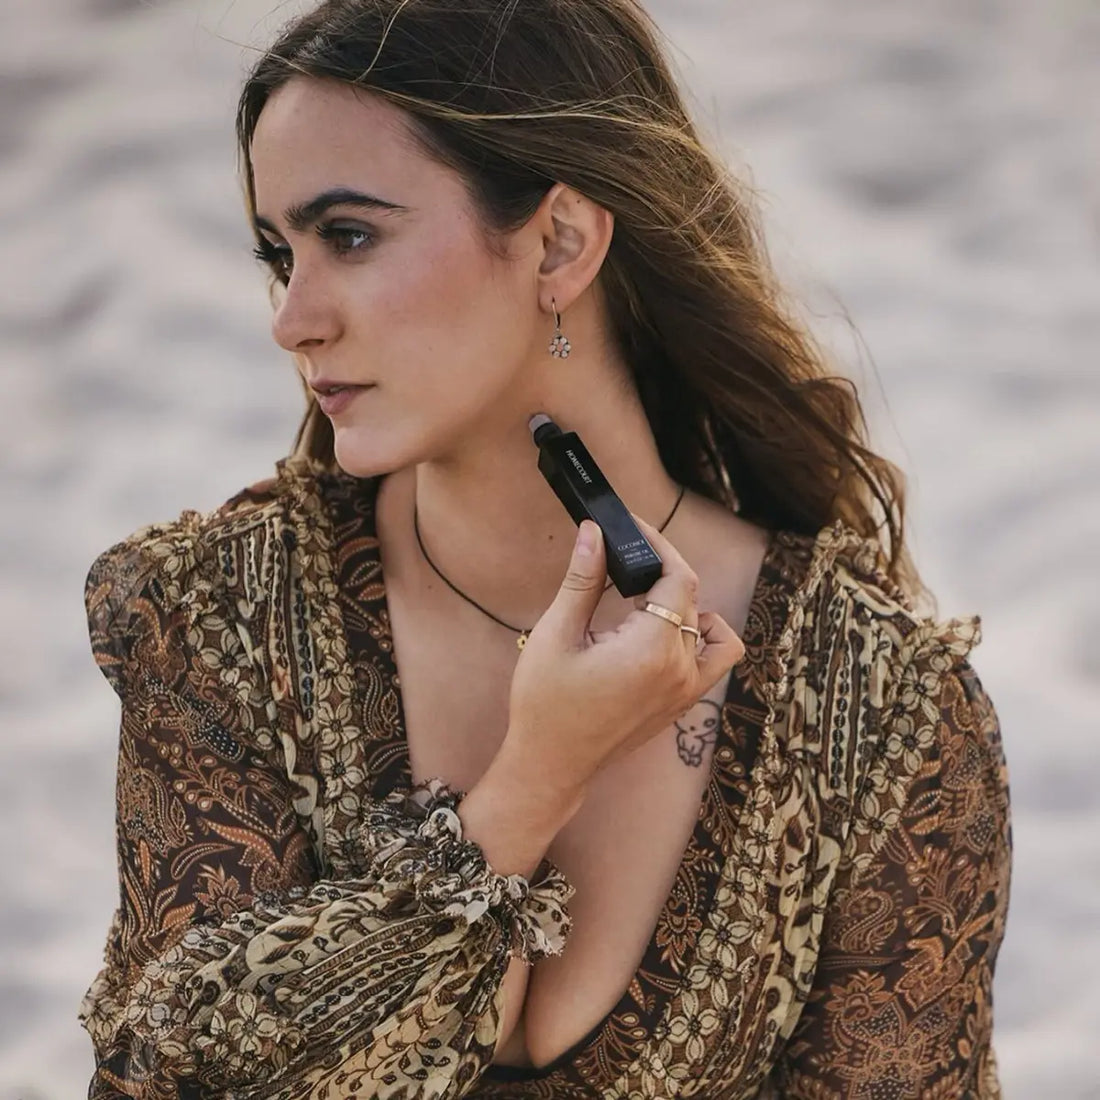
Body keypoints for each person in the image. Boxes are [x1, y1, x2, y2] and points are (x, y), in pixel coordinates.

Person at [77, 1, 1012, 1097]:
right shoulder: (214, 616)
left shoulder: (879, 707)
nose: (292, 316)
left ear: (559, 242)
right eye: (279, 252)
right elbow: (171, 1076)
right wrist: (527, 787)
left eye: (350, 235)